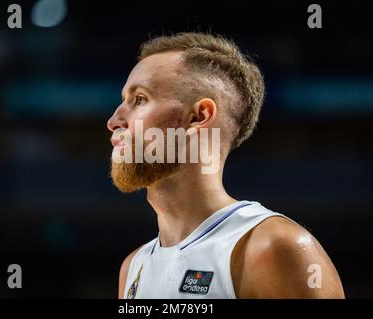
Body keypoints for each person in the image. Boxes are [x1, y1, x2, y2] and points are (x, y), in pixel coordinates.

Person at [106, 32, 344, 299]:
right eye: (123, 100)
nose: (114, 120)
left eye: (139, 99)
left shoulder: (273, 248)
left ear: (199, 116)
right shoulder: (133, 267)